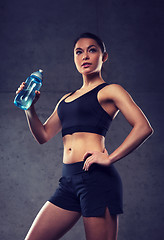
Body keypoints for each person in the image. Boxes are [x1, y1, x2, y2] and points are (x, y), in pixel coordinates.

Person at [16, 32, 153, 240]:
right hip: (68, 182)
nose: (85, 56)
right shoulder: (65, 99)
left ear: (103, 56)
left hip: (96, 179)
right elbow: (43, 135)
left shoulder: (111, 90)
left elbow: (143, 127)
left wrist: (110, 157)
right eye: (79, 52)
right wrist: (29, 109)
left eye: (92, 50)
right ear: (74, 58)